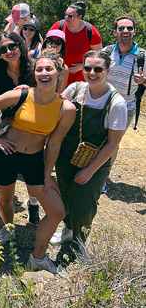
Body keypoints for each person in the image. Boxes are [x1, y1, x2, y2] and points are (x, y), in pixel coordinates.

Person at [0, 52, 76, 275]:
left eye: (49, 69)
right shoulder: (21, 94)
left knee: (57, 212)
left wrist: (47, 175)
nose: (44, 73)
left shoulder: (66, 109)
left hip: (34, 161)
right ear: (34, 73)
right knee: (4, 200)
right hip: (6, 156)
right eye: (39, 69)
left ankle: (38, 257)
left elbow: (53, 144)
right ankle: (8, 228)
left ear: (59, 73)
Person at [51, 50, 127, 252]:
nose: (92, 72)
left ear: (107, 71)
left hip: (96, 162)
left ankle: (79, 242)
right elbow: (54, 108)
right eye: (87, 68)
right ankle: (68, 230)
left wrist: (90, 170)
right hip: (67, 155)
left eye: (98, 69)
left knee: (84, 205)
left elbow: (113, 143)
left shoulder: (116, 103)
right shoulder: (75, 90)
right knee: (65, 195)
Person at [0, 32, 35, 222]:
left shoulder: (35, 69)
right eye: (3, 49)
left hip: (31, 127)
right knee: (0, 165)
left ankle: (33, 204)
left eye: (12, 46)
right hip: (5, 126)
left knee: (33, 168)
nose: (9, 51)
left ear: (20, 45)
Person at [102, 15, 146, 130]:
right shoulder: (106, 52)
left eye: (129, 28)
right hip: (102, 104)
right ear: (115, 32)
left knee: (112, 143)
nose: (125, 31)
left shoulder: (143, 57)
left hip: (125, 108)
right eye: (121, 28)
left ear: (134, 32)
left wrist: (143, 81)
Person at [49, 1, 102, 84]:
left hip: (80, 80)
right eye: (65, 14)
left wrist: (82, 66)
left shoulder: (90, 31)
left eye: (70, 16)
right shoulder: (59, 26)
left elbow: (98, 55)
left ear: (79, 17)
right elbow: (46, 45)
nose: (66, 17)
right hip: (58, 77)